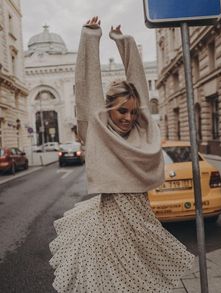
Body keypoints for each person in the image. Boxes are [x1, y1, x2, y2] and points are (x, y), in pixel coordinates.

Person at [49, 17, 195, 293]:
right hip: (109, 234)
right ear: (107, 111)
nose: (128, 117)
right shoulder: (98, 133)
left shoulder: (143, 133)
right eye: (121, 111)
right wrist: (91, 38)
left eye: (132, 111)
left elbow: (138, 83)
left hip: (142, 229)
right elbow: (87, 90)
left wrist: (125, 43)